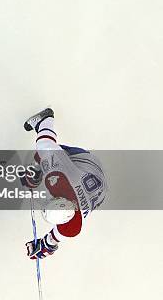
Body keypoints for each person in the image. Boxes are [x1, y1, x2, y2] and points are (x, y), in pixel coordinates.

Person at [22, 108, 108, 259]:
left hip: (98, 189)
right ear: (59, 199)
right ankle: (45, 120)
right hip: (84, 162)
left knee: (48, 160)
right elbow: (44, 147)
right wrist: (35, 170)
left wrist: (45, 246)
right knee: (45, 150)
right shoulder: (57, 180)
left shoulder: (72, 225)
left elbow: (57, 236)